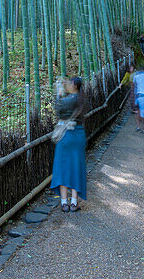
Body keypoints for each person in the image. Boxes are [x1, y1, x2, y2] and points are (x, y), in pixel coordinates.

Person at [51, 76, 87, 212]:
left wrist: (59, 94)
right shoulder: (82, 99)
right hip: (78, 135)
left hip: (66, 135)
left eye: (69, 83)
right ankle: (74, 202)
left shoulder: (68, 100)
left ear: (74, 85)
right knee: (76, 167)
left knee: (62, 167)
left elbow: (59, 109)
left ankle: (64, 202)